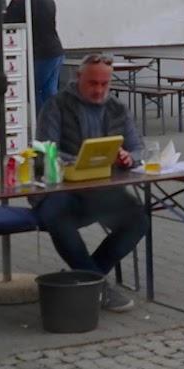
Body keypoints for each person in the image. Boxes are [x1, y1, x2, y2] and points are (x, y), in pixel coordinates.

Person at [35, 54, 146, 313]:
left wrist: (128, 157)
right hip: (62, 188)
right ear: (79, 78)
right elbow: (45, 150)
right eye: (93, 83)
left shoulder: (118, 108)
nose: (98, 90)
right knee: (55, 216)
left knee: (138, 220)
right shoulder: (56, 105)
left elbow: (139, 148)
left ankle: (85, 278)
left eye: (104, 84)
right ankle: (97, 285)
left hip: (102, 190)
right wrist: (80, 162)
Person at [28, 0, 65, 109]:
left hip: (42, 52)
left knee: (33, 89)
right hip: (55, 50)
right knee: (50, 90)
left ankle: (42, 119)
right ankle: (55, 118)